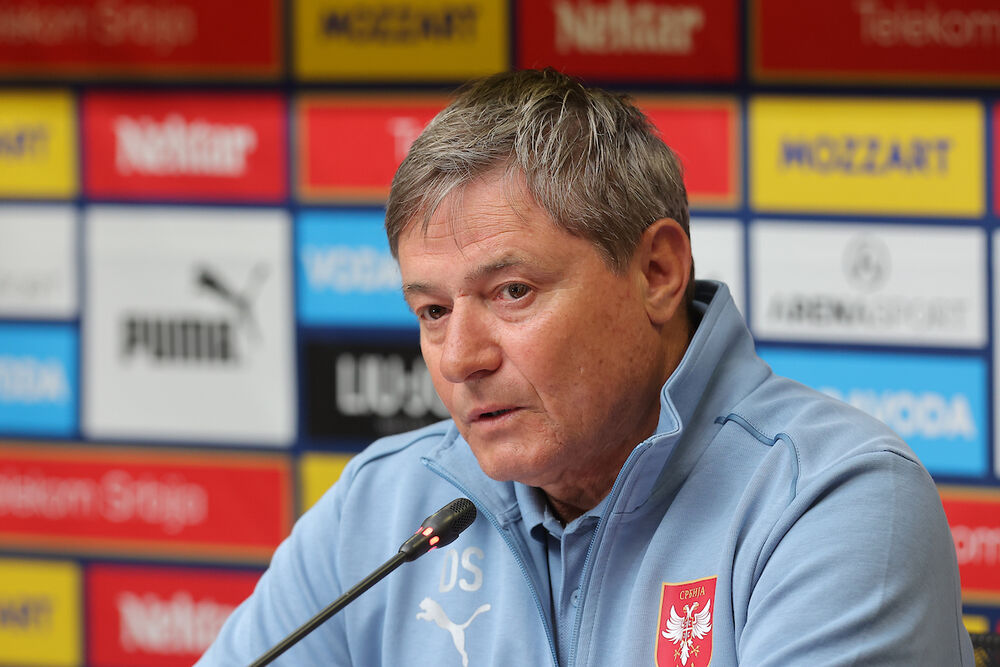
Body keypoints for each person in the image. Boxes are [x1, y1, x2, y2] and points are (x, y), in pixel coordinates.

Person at [198, 69, 973, 666]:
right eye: (432, 310)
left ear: (657, 272)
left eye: (512, 292)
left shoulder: (831, 500)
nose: (461, 358)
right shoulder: (382, 509)